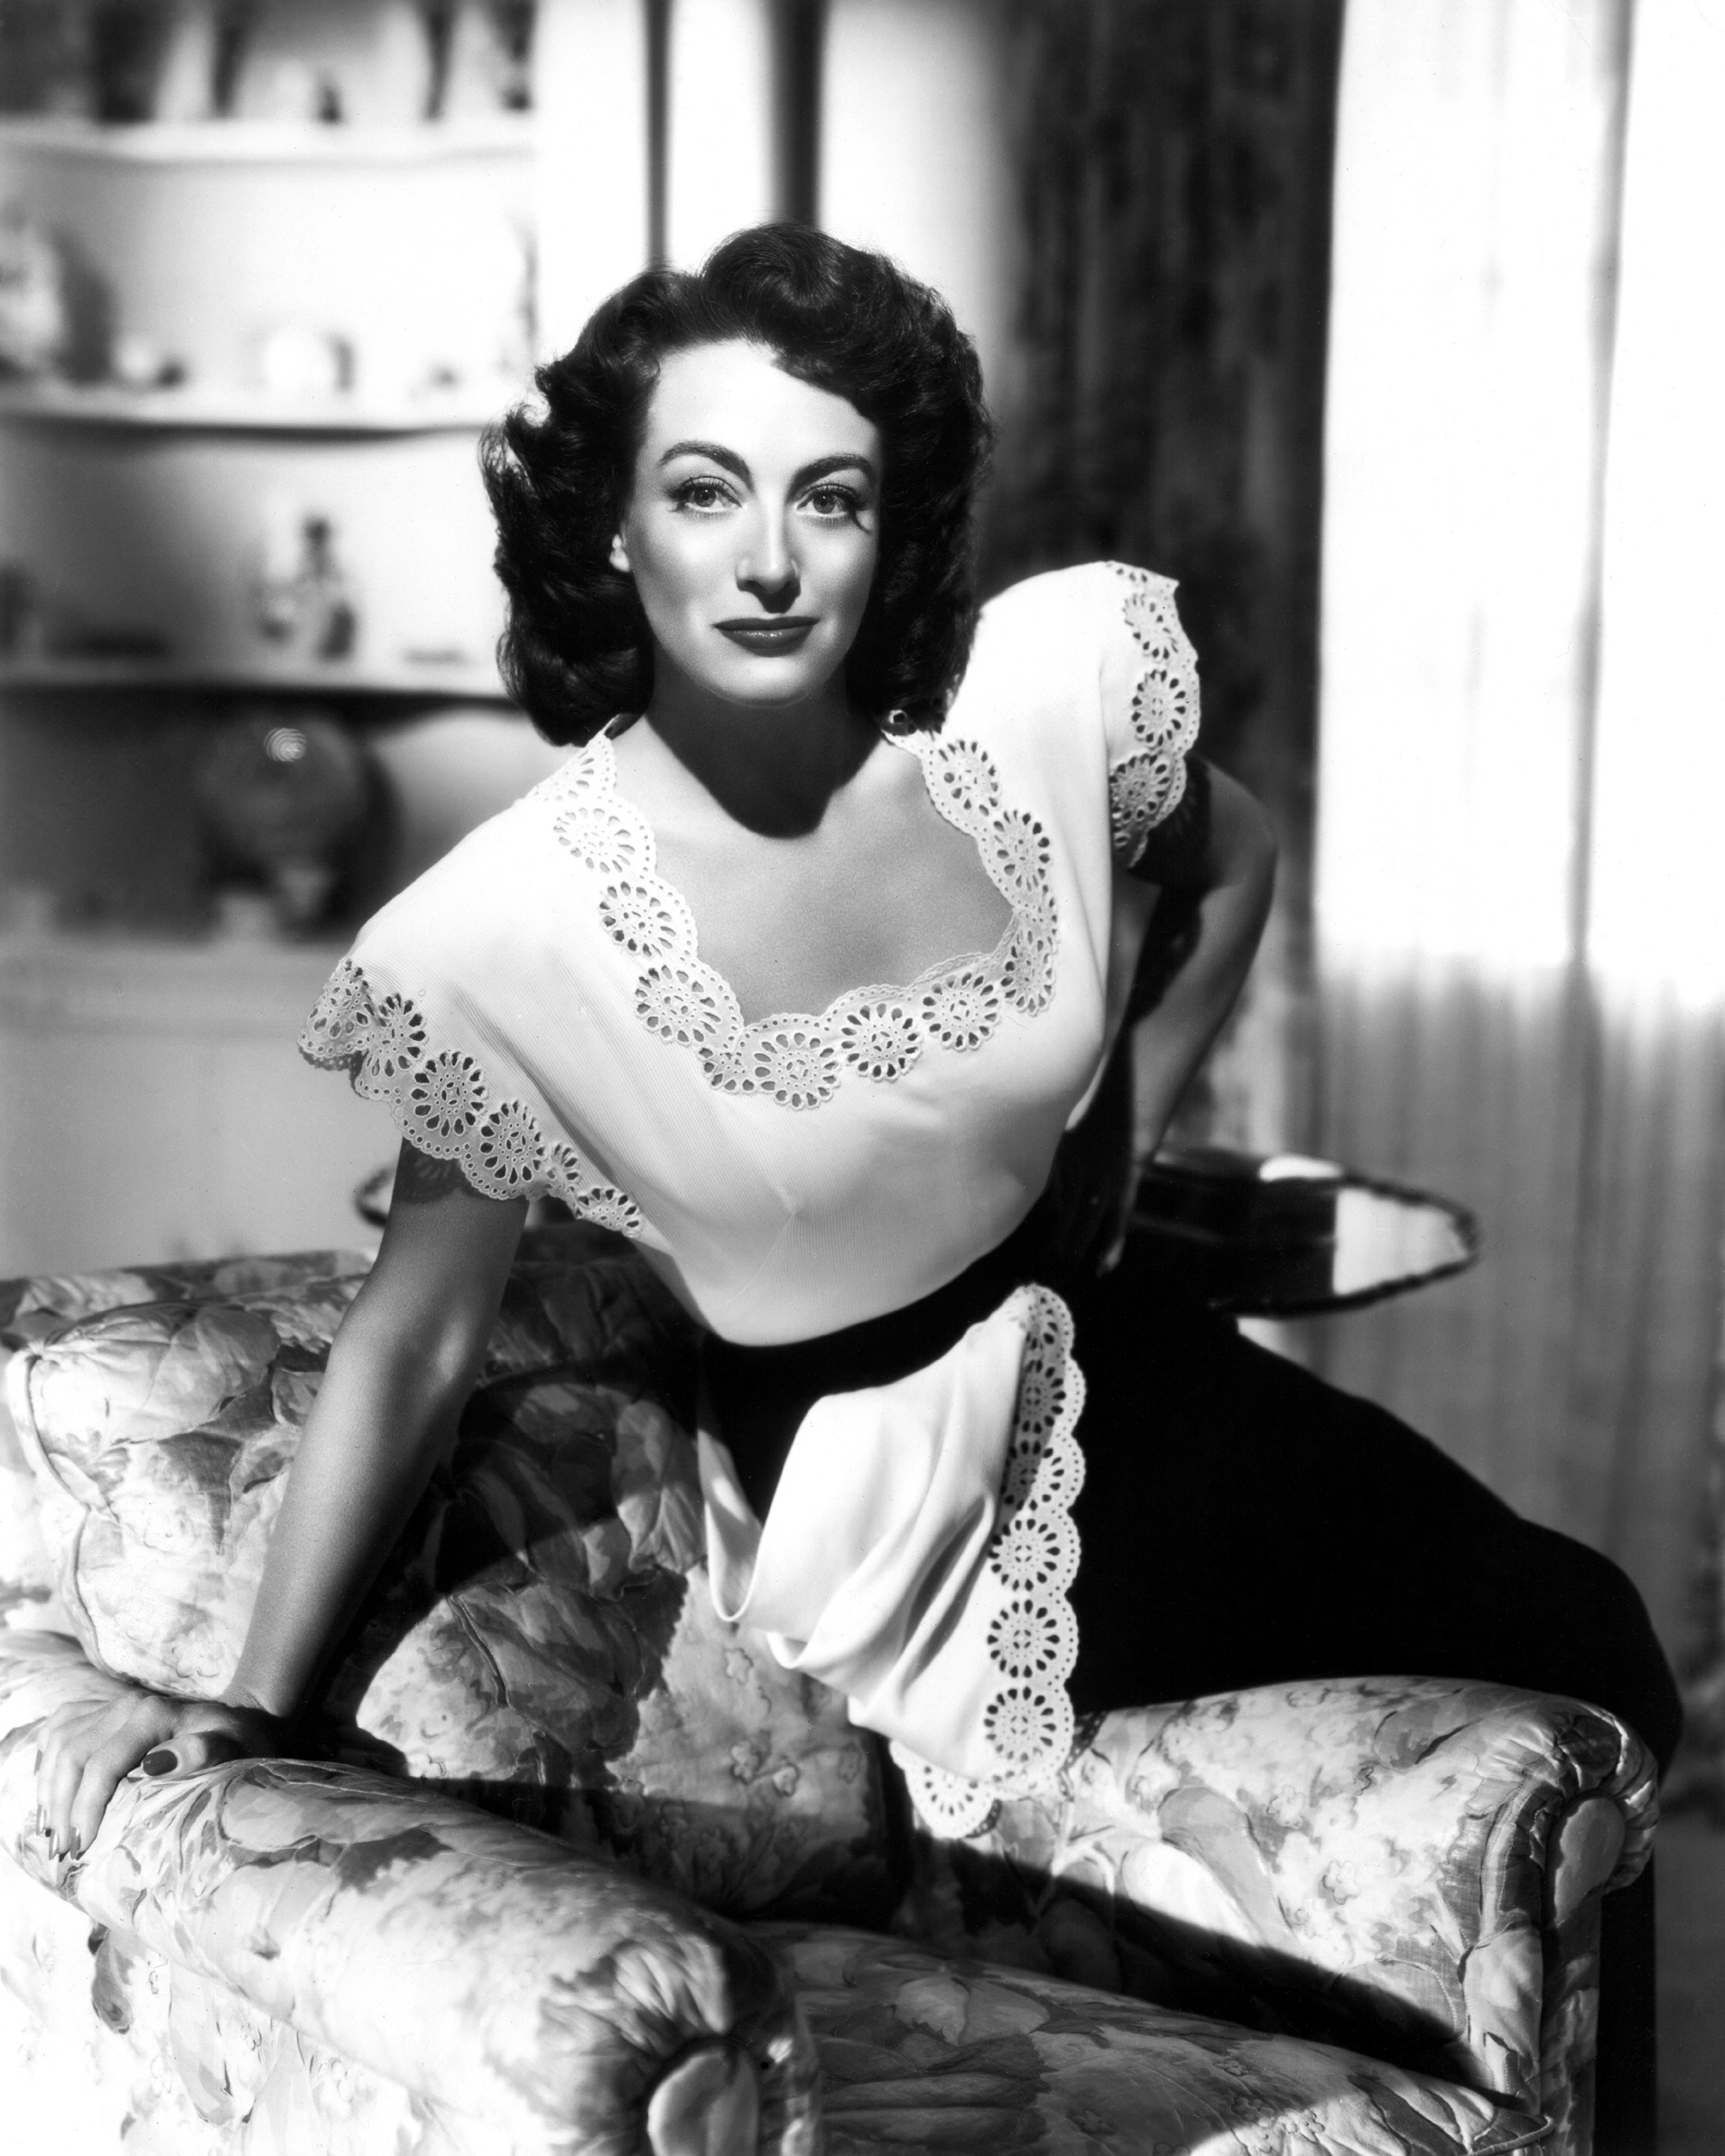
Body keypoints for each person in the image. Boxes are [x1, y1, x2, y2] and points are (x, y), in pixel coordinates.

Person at [38, 226, 1676, 2145]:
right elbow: (412, 1341)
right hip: (905, 1486)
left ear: (888, 531)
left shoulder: (1019, 719)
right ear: (612, 531)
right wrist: (255, 1708)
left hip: (1116, 1354)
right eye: (704, 490)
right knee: (1572, 1655)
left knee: (1589, 1646)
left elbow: (1227, 861)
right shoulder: (499, 936)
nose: (768, 559)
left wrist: (1123, 1128)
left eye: (830, 497)